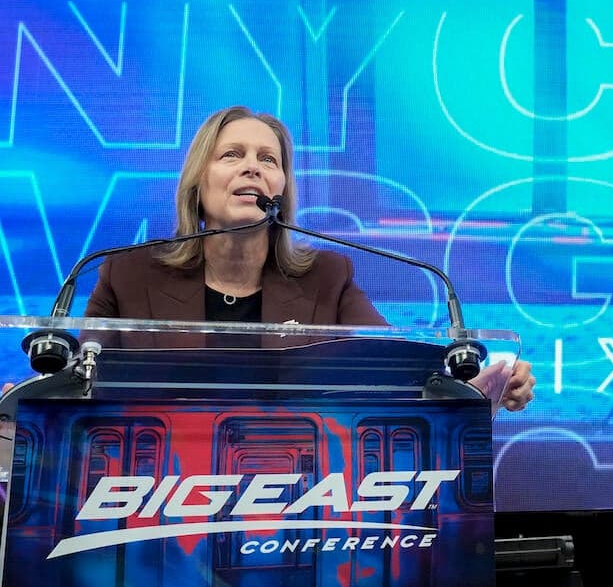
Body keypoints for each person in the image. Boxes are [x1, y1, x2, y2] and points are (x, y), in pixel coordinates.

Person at [82, 106, 535, 412]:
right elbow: (80, 385)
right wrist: (39, 397)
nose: (252, 167)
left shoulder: (327, 278)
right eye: (231, 155)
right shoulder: (127, 275)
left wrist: (483, 385)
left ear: (281, 189)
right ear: (197, 184)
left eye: (268, 159)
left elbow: (401, 369)